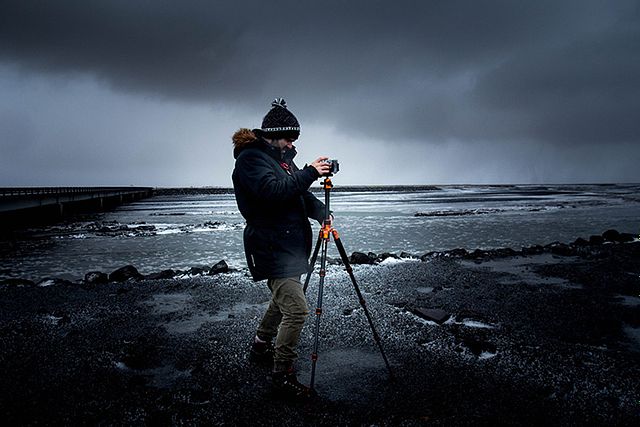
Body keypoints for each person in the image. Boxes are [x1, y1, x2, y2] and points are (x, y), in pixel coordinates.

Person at [231, 98, 331, 398]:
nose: (291, 143)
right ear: (272, 135)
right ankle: (282, 374)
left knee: (282, 300)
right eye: (289, 137)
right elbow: (273, 193)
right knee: (297, 310)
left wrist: (323, 214)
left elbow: (297, 195)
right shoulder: (251, 159)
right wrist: (311, 172)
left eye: (294, 139)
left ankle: (261, 346)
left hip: (290, 246)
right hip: (271, 245)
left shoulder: (282, 159)